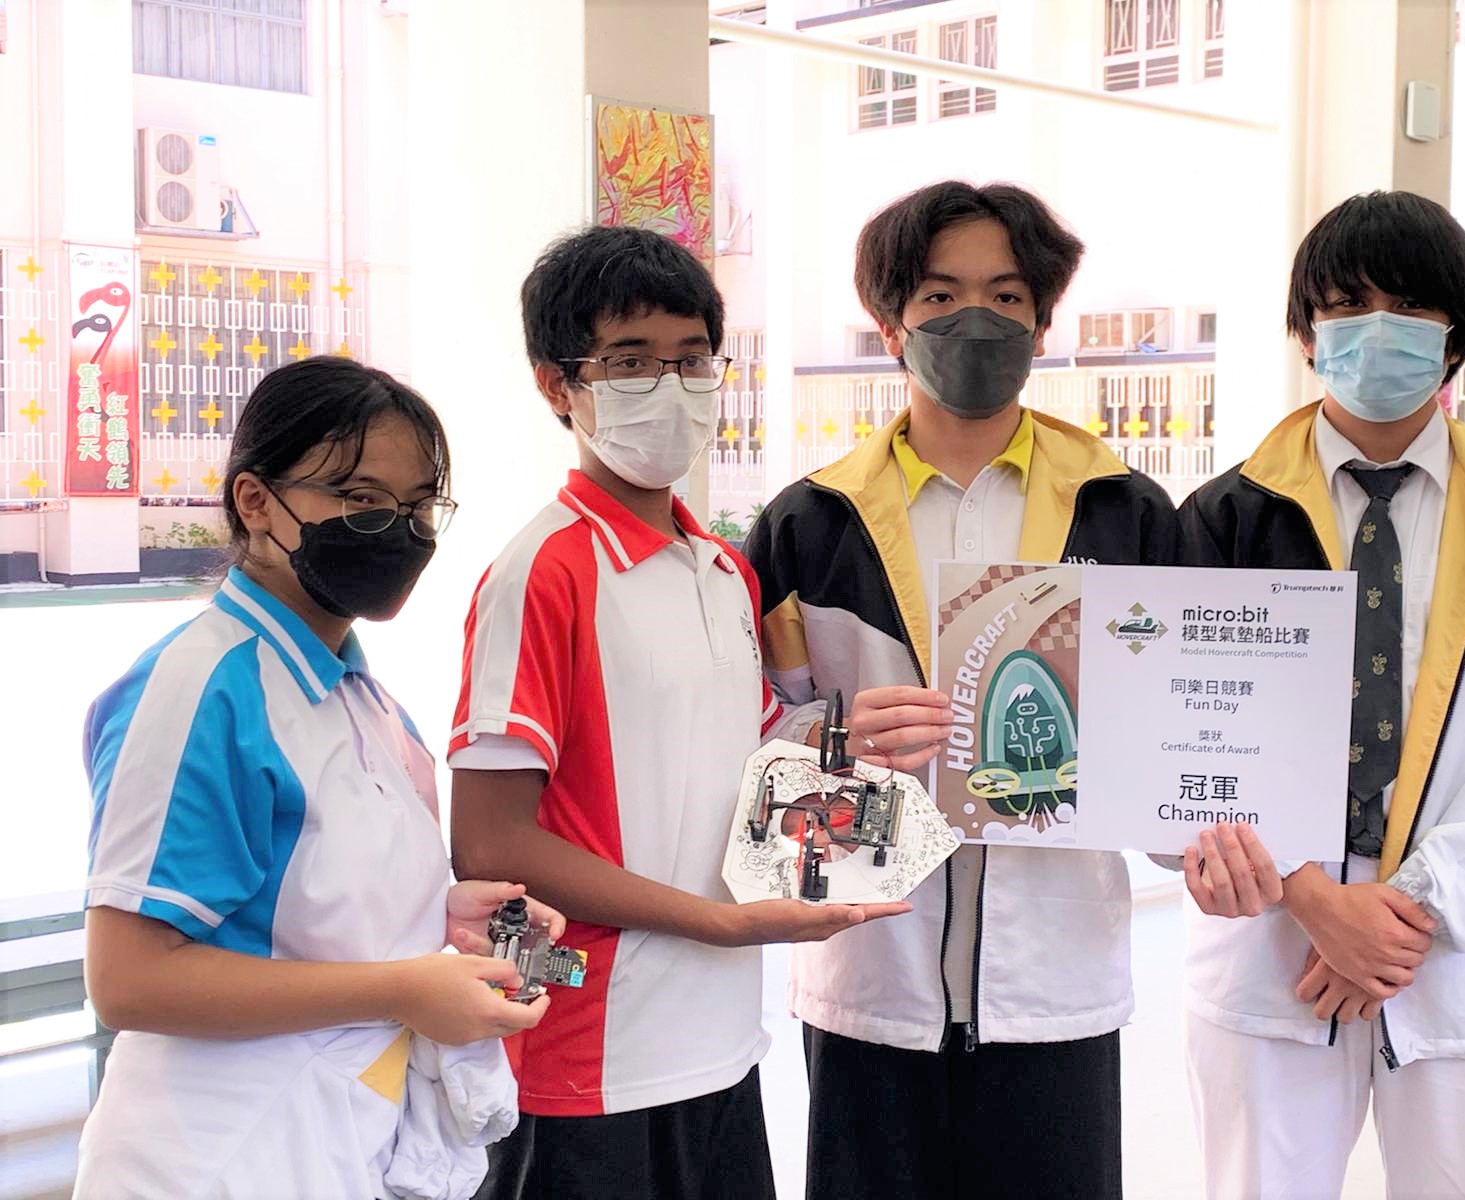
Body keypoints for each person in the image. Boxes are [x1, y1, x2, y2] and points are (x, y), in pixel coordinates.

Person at [449, 224, 910, 1200]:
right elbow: (489, 842)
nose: (669, 386)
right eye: (629, 362)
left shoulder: (721, 568)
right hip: (581, 1065)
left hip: (720, 1048)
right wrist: (710, 922)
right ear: (557, 385)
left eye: (690, 360)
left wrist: (844, 739)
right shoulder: (542, 575)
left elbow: (737, 755)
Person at [742, 181, 1180, 1200]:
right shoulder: (809, 524)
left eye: (1005, 296)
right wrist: (837, 739)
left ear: (1040, 322)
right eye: (939, 297)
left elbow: (1177, 748)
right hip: (867, 981)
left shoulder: (1124, 514)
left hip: (1055, 987)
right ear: (890, 325)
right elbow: (755, 740)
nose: (972, 319)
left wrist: (1202, 825)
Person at [1178, 190, 1465, 1199]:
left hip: (1462, 968)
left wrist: (1397, 914)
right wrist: (1313, 899)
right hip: (1271, 954)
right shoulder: (1222, 519)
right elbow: (1180, 735)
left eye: (1408, 308)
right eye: (1345, 305)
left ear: (1457, 340)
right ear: (1305, 333)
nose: (1375, 331)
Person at [76, 357, 556, 1199]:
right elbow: (130, 980)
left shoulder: (363, 700)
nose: (399, 531)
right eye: (362, 499)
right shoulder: (200, 691)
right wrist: (406, 987)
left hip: (338, 1141)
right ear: (256, 502)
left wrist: (438, 915)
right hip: (214, 1156)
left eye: (418, 507)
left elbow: (299, 901)